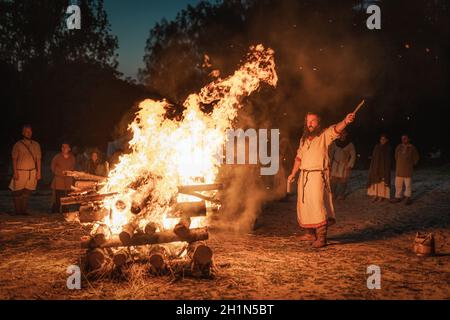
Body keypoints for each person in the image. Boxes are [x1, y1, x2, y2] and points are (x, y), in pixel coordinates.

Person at [288, 111, 355, 248]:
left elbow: (336, 128)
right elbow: (299, 158)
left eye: (313, 120)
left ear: (318, 122)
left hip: (317, 175)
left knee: (318, 205)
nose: (310, 123)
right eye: (308, 121)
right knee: (305, 205)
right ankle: (310, 234)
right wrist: (293, 173)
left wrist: (346, 121)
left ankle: (322, 237)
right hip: (304, 176)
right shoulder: (303, 139)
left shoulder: (324, 135)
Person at [9, 125, 42, 215]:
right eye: (26, 131)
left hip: (32, 171)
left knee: (27, 192)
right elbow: (14, 159)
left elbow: (38, 159)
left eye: (30, 131)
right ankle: (17, 211)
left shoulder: (36, 145)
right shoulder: (18, 145)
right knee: (17, 192)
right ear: (23, 133)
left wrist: (39, 172)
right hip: (20, 171)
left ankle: (23, 211)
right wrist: (15, 172)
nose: (28, 133)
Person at [391, 134, 419, 205]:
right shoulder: (399, 147)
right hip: (399, 170)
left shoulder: (412, 148)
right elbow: (396, 156)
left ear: (408, 139)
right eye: (402, 138)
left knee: (408, 185)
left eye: (405, 138)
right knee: (398, 184)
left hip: (407, 170)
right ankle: (398, 197)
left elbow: (416, 158)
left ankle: (408, 198)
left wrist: (410, 164)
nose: (404, 140)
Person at [329, 130, 356, 200]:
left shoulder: (350, 144)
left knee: (343, 180)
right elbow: (331, 154)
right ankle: (332, 193)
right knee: (333, 180)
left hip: (344, 165)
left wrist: (350, 164)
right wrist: (329, 163)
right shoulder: (335, 143)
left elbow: (353, 155)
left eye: (343, 134)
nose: (342, 135)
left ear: (346, 134)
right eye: (341, 134)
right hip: (335, 164)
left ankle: (341, 194)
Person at [51, 143, 76, 213]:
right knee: (59, 195)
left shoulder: (72, 158)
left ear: (69, 149)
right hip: (59, 180)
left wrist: (69, 173)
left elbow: (73, 167)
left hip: (68, 180)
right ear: (61, 149)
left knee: (67, 195)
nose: (64, 149)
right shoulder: (57, 157)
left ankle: (65, 209)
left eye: (66, 148)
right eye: (63, 147)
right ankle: (56, 210)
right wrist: (58, 173)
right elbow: (53, 167)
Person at [367, 134, 392, 202]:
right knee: (376, 181)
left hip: (383, 168)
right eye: (381, 139)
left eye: (384, 139)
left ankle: (381, 196)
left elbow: (388, 159)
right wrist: (372, 166)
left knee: (382, 182)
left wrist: (386, 168)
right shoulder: (377, 147)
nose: (382, 140)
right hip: (376, 167)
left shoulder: (388, 148)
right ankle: (375, 195)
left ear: (386, 140)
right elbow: (374, 157)